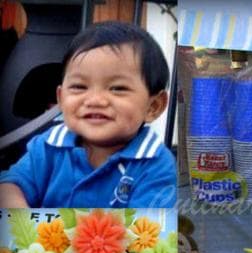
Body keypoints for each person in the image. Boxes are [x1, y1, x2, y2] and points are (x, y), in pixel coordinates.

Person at [0, 21, 176, 207]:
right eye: (79, 87)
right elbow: (10, 186)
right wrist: (17, 215)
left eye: (117, 88)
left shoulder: (156, 165)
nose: (95, 100)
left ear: (153, 107)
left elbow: (149, 230)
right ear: (61, 98)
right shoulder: (48, 146)